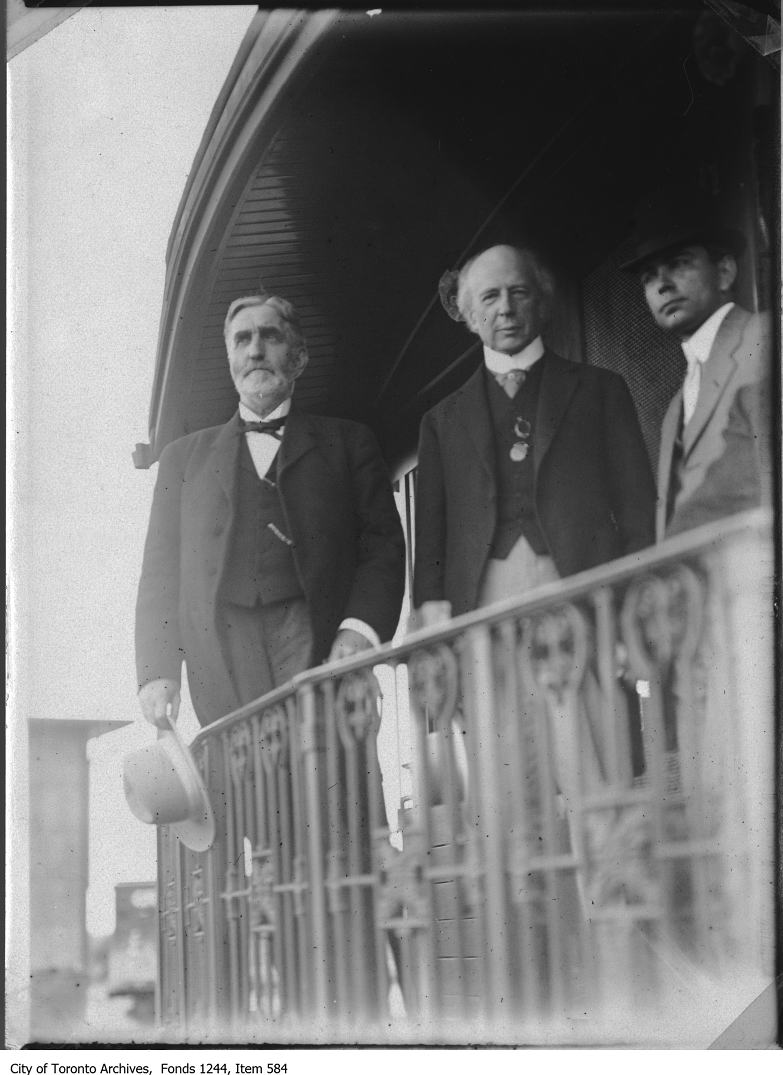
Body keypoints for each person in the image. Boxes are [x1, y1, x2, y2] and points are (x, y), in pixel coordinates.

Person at [136, 291, 406, 728]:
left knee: (326, 770)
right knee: (240, 779)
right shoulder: (183, 459)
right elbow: (160, 570)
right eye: (242, 340)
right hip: (221, 644)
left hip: (317, 639)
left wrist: (359, 629)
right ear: (230, 361)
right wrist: (158, 670)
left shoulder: (349, 443)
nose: (255, 350)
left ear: (299, 359)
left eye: (269, 336)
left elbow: (383, 547)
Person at [413, 242, 655, 621]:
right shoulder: (441, 421)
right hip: (480, 603)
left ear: (542, 305)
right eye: (490, 297)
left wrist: (636, 597)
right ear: (471, 316)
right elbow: (430, 545)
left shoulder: (600, 390)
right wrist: (429, 616)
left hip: (587, 593)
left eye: (519, 292)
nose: (505, 308)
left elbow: (637, 509)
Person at [620, 188, 771, 540]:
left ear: (724, 271)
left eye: (678, 263)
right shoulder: (676, 406)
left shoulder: (765, 339)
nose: (662, 285)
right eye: (648, 277)